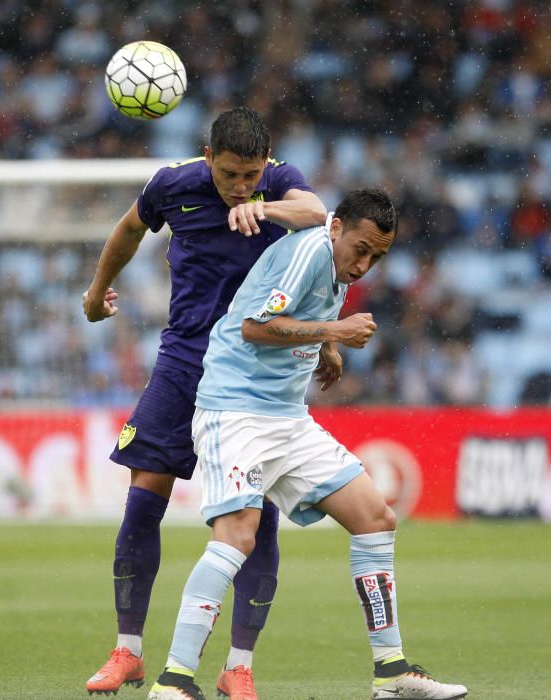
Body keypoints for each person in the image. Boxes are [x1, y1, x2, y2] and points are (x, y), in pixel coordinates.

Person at [148, 189, 468, 700]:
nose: (363, 265)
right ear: (336, 227)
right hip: (237, 412)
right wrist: (334, 329)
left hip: (287, 419)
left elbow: (309, 309)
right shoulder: (309, 251)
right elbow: (255, 327)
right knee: (237, 535)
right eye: (360, 249)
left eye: (377, 257)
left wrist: (328, 345)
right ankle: (174, 681)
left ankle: (391, 672)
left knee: (375, 517)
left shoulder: (337, 263)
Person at [83, 106, 327, 697]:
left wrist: (261, 206)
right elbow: (129, 229)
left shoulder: (279, 186)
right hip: (185, 362)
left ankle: (238, 665)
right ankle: (127, 652)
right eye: (227, 176)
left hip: (254, 375)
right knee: (144, 499)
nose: (238, 186)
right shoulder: (174, 183)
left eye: (249, 175)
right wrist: (95, 293)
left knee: (257, 516)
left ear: (265, 163)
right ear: (208, 158)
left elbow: (320, 215)